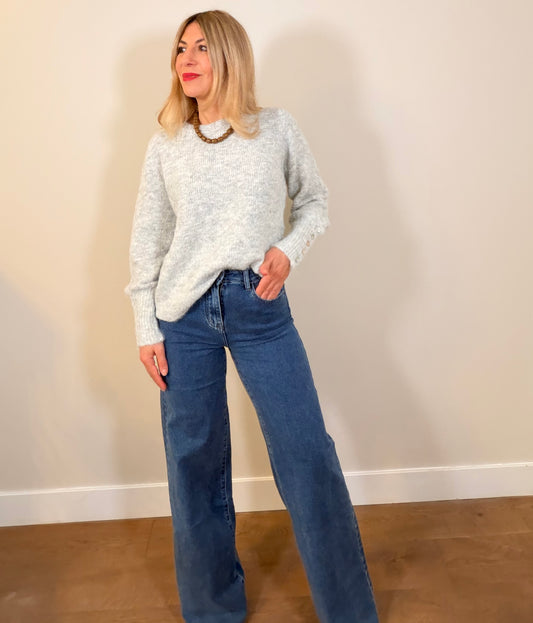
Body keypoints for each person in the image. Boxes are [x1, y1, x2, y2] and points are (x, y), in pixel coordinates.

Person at [125, 9, 379, 623]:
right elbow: (147, 244)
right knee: (194, 466)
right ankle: (213, 611)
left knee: (306, 454)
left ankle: (349, 613)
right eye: (180, 48)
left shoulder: (276, 129)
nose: (186, 59)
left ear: (230, 56)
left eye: (201, 48)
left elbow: (315, 201)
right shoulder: (166, 147)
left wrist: (287, 252)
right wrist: (145, 326)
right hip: (183, 317)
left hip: (258, 307)